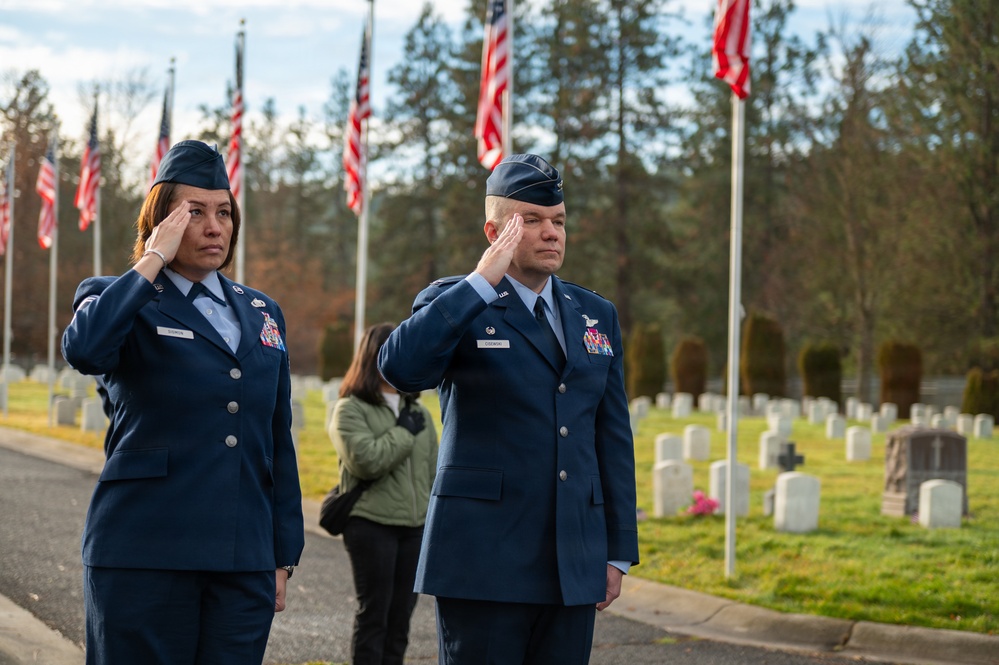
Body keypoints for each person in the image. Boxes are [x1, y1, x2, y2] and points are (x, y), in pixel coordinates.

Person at [377, 153, 639, 664]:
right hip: (483, 560)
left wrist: (616, 551)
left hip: (573, 560)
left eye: (558, 221)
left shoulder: (595, 314)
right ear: (494, 230)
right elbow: (401, 369)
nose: (551, 233)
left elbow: (612, 437)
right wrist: (480, 282)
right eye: (532, 221)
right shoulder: (455, 301)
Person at [61, 140, 305, 665]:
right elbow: (84, 349)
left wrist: (282, 553)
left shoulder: (263, 311)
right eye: (194, 213)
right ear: (162, 220)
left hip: (243, 561)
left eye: (223, 212)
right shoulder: (118, 295)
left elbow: (275, 440)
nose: (215, 227)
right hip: (145, 552)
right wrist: (153, 259)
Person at [328, 322, 439, 665]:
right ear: (375, 357)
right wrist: (403, 434)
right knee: (375, 614)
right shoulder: (350, 409)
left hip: (414, 527)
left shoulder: (417, 411)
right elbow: (367, 462)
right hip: (371, 523)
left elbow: (432, 471)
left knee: (401, 618)